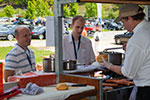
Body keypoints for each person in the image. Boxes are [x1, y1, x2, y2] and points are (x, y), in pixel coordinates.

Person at [101, 3, 150, 100]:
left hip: (146, 90)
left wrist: (108, 65)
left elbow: (128, 72)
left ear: (130, 18)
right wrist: (130, 49)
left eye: (123, 21)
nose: (123, 25)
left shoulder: (137, 39)